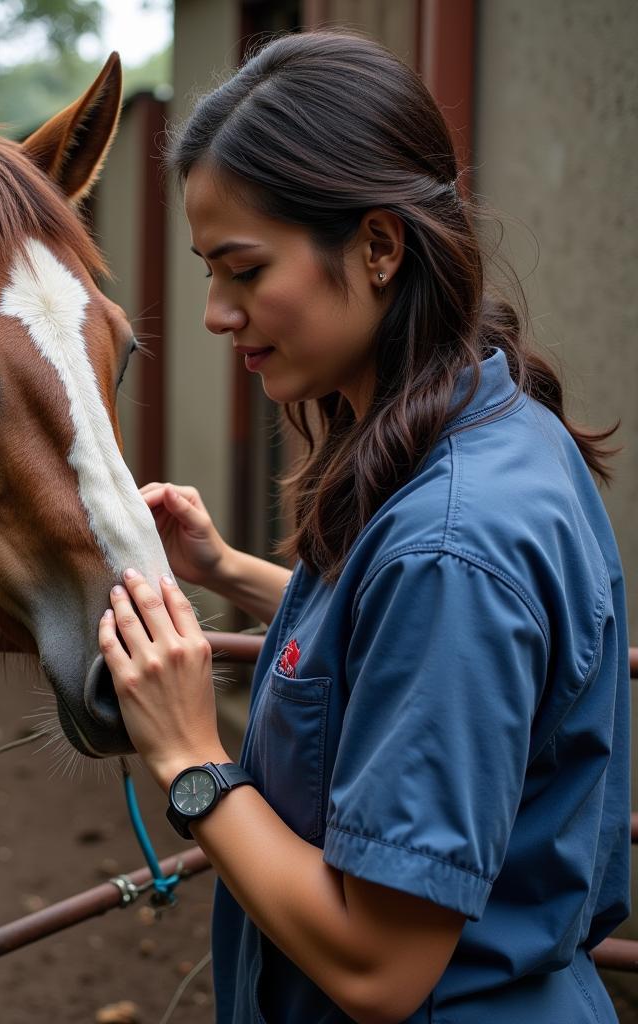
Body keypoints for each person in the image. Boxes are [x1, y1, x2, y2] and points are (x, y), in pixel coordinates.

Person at [96, 30, 629, 1024]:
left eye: (242, 269)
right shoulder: (488, 417)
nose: (215, 312)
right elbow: (389, 645)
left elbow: (379, 968)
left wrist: (188, 760)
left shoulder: (449, 550)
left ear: (379, 247)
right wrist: (226, 571)